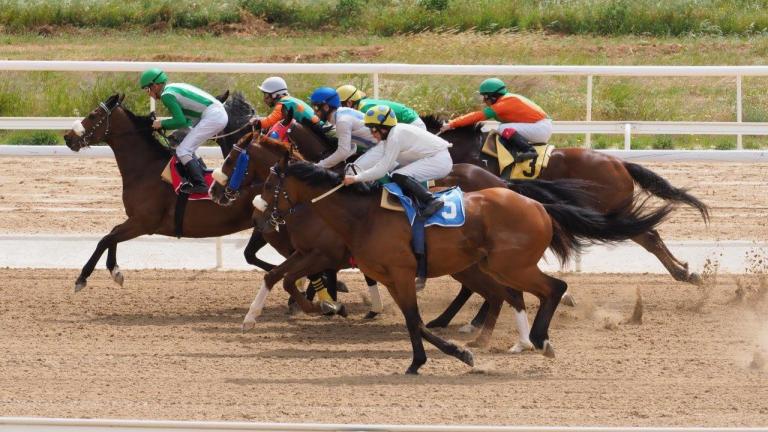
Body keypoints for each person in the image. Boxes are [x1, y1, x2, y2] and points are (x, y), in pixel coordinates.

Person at [342, 105, 452, 219]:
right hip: (434, 158)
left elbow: (381, 169)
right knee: (395, 173)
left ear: (383, 128)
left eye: (373, 129)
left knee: (398, 175)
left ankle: (432, 200)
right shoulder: (392, 135)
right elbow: (382, 165)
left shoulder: (395, 136)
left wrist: (355, 178)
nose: (372, 134)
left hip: (438, 161)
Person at [140, 67, 228, 194]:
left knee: (183, 150)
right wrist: (165, 126)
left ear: (156, 85)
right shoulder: (172, 88)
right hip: (214, 114)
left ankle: (200, 184)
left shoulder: (166, 96)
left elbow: (180, 121)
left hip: (213, 116)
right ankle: (200, 172)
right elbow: (185, 122)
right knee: (182, 141)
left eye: (147, 89)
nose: (148, 93)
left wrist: (161, 124)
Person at [441, 77, 551, 162]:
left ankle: (529, 150)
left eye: (485, 97)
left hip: (540, 128)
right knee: (503, 128)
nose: (484, 101)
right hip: (540, 126)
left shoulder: (503, 104)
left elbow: (478, 116)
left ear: (492, 97)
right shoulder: (507, 99)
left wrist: (452, 124)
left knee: (503, 128)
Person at [309, 87, 377, 169]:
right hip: (380, 145)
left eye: (316, 108)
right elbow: (351, 146)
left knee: (353, 172)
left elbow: (343, 152)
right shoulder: (342, 113)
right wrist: (338, 160)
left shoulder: (342, 121)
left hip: (383, 146)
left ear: (326, 107)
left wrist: (319, 165)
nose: (314, 112)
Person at [250, 76, 324, 135]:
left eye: (266, 96)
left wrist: (255, 122)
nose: (264, 99)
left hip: (316, 131)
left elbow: (270, 121)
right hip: (318, 127)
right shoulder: (289, 100)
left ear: (275, 95)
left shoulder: (283, 104)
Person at [336, 84, 427, 130]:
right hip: (408, 122)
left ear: (349, 103)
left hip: (412, 125)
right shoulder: (363, 105)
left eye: (340, 105)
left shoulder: (364, 110)